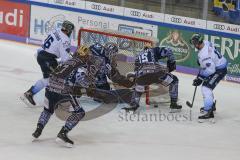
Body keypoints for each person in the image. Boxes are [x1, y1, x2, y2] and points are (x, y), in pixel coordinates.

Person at [32, 43, 134, 147]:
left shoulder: (71, 59)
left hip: (50, 86)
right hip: (64, 89)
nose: (89, 56)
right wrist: (89, 87)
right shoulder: (85, 62)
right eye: (88, 54)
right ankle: (63, 133)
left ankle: (38, 130)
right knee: (79, 112)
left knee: (47, 110)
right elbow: (81, 77)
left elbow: (57, 71)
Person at [21, 20, 75, 106]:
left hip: (41, 54)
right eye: (71, 31)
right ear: (68, 30)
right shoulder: (65, 40)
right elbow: (65, 60)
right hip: (48, 59)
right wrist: (73, 61)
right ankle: (54, 99)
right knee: (56, 79)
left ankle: (30, 93)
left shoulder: (57, 30)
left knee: (49, 79)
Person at [122, 46, 182, 112]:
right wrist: (171, 64)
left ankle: (134, 104)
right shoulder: (153, 50)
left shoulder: (138, 56)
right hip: (157, 73)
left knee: (139, 84)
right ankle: (173, 104)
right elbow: (168, 50)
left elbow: (136, 72)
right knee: (174, 81)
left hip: (142, 75)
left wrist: (137, 83)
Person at [190, 33, 227, 123]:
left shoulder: (204, 55)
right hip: (218, 65)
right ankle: (211, 106)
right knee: (207, 86)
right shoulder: (206, 42)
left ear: (199, 42)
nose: (194, 44)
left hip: (219, 69)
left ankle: (209, 112)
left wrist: (200, 78)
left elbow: (211, 70)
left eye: (195, 43)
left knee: (206, 88)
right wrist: (201, 63)